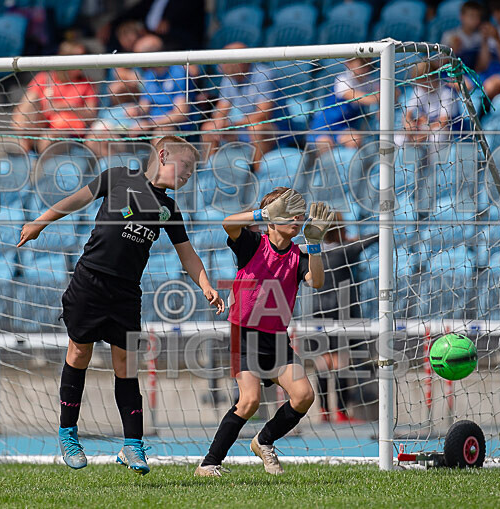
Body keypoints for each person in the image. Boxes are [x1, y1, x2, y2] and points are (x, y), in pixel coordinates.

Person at [17, 135, 225, 473]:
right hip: (90, 282)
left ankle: (132, 445)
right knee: (79, 353)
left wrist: (205, 286)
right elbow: (75, 200)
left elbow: (187, 254)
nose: (188, 176)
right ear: (163, 155)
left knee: (126, 366)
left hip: (126, 293)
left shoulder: (168, 209)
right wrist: (40, 222)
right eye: (185, 168)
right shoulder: (117, 177)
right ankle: (68, 432)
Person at [194, 189, 333, 477]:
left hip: (277, 340)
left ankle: (264, 441)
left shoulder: (298, 255)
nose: (298, 217)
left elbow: (317, 281)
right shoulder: (252, 243)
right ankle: (208, 463)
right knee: (249, 401)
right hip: (244, 336)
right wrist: (260, 215)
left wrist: (315, 244)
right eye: (290, 210)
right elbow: (228, 223)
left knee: (304, 395)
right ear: (271, 217)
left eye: (300, 211)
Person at [311, 215, 378, 423]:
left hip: (319, 310)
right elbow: (375, 236)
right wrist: (352, 239)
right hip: (342, 310)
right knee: (340, 361)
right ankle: (340, 410)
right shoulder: (347, 249)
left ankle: (323, 410)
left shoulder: (316, 252)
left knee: (323, 361)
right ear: (339, 231)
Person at [201, 42, 285, 171]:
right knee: (209, 127)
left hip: (276, 129)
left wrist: (233, 125)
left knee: (257, 129)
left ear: (241, 62)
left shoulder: (264, 75)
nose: (220, 66)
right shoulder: (228, 79)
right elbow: (221, 109)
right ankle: (207, 171)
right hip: (244, 126)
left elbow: (263, 114)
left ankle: (256, 172)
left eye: (224, 61)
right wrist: (219, 122)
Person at [11, 41, 98, 154]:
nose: (82, 63)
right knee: (31, 99)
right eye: (78, 58)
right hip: (39, 126)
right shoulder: (44, 78)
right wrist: (45, 107)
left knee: (48, 138)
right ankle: (24, 147)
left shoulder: (86, 83)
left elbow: (91, 115)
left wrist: (63, 107)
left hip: (67, 131)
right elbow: (25, 108)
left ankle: (29, 155)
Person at [308, 57, 380, 150]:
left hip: (344, 128)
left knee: (354, 140)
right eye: (362, 63)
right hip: (326, 125)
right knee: (325, 144)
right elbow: (358, 98)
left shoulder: (369, 82)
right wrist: (380, 97)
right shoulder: (342, 80)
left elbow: (395, 92)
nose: (365, 67)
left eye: (368, 63)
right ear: (348, 64)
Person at [441, 1, 486, 70]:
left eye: (478, 16)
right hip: (453, 74)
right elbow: (440, 63)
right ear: (462, 16)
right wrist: (453, 49)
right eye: (472, 16)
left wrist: (484, 42)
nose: (475, 20)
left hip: (473, 73)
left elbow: (482, 67)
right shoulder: (449, 36)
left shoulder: (482, 37)